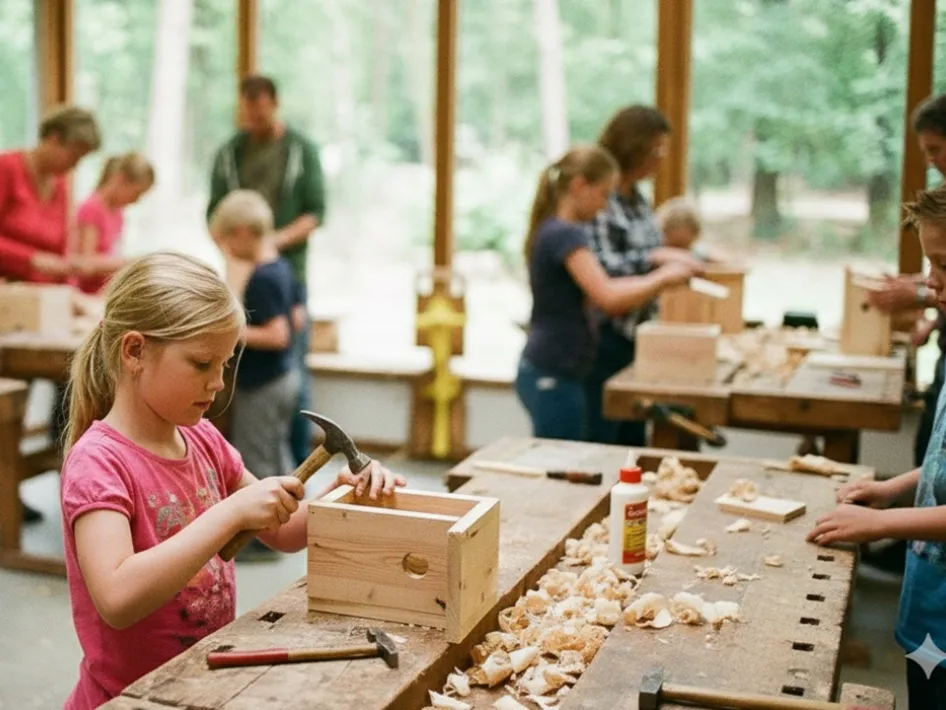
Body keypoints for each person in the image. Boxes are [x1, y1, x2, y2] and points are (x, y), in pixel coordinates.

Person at [58, 252, 404, 709]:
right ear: (135, 351)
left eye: (224, 363)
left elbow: (284, 530)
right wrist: (228, 513)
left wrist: (345, 496)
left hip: (198, 686)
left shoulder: (202, 440)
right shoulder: (100, 463)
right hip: (129, 698)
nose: (219, 383)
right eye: (202, 364)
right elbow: (117, 598)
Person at [808, 184, 946, 708]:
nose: (929, 283)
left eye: (945, 265)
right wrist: (893, 489)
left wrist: (882, 525)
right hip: (931, 611)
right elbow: (942, 461)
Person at [517, 146, 695, 440]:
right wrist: (663, 278)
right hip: (553, 370)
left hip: (558, 369)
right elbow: (608, 295)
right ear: (578, 186)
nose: (604, 207)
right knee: (563, 469)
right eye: (603, 194)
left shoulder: (555, 229)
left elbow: (604, 290)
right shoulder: (566, 234)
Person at [206, 75, 326, 468]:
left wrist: (271, 243)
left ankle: (297, 467)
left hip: (284, 270)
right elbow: (214, 213)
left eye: (260, 113)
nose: (253, 121)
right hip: (247, 271)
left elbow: (315, 213)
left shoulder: (300, 151)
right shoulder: (230, 152)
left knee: (289, 382)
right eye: (247, 113)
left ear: (274, 104)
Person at [0, 105, 101, 522]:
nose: (74, 165)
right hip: (9, 307)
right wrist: (34, 262)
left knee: (74, 377)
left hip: (44, 308)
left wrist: (70, 292)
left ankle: (72, 475)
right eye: (73, 153)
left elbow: (61, 252)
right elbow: (39, 256)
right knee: (12, 397)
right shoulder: (7, 169)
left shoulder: (59, 185)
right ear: (53, 138)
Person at [584, 106, 705, 445]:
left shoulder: (637, 199)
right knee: (602, 440)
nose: (660, 160)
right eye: (654, 151)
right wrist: (655, 259)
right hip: (603, 339)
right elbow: (602, 272)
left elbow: (660, 248)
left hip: (637, 335)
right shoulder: (601, 200)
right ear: (631, 147)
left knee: (633, 441)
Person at [210, 190, 302, 560]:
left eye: (227, 242)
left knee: (256, 461)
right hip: (286, 379)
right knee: (275, 456)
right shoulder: (282, 267)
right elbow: (299, 319)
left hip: (264, 384)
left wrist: (225, 330)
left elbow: (279, 333)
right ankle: (285, 521)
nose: (228, 252)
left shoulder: (263, 277)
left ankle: (260, 542)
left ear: (245, 233)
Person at [74, 152, 155, 294]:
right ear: (121, 179)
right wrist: (128, 262)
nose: (136, 201)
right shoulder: (91, 209)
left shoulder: (118, 214)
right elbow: (86, 262)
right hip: (84, 293)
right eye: (136, 193)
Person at [655, 196, 731, 264]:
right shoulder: (652, 254)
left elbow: (726, 262)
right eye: (675, 246)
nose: (679, 254)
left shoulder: (696, 254)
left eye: (684, 246)